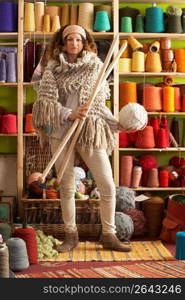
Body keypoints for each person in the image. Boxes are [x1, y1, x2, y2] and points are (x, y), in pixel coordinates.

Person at [32, 25, 132, 253]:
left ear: (84, 42)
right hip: (61, 132)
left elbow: (98, 106)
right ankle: (71, 234)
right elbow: (46, 104)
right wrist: (70, 113)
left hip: (89, 131)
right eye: (69, 39)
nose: (74, 43)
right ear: (62, 42)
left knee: (107, 184)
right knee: (66, 186)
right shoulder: (53, 69)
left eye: (78, 39)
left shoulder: (96, 67)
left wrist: (118, 124)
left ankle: (109, 234)